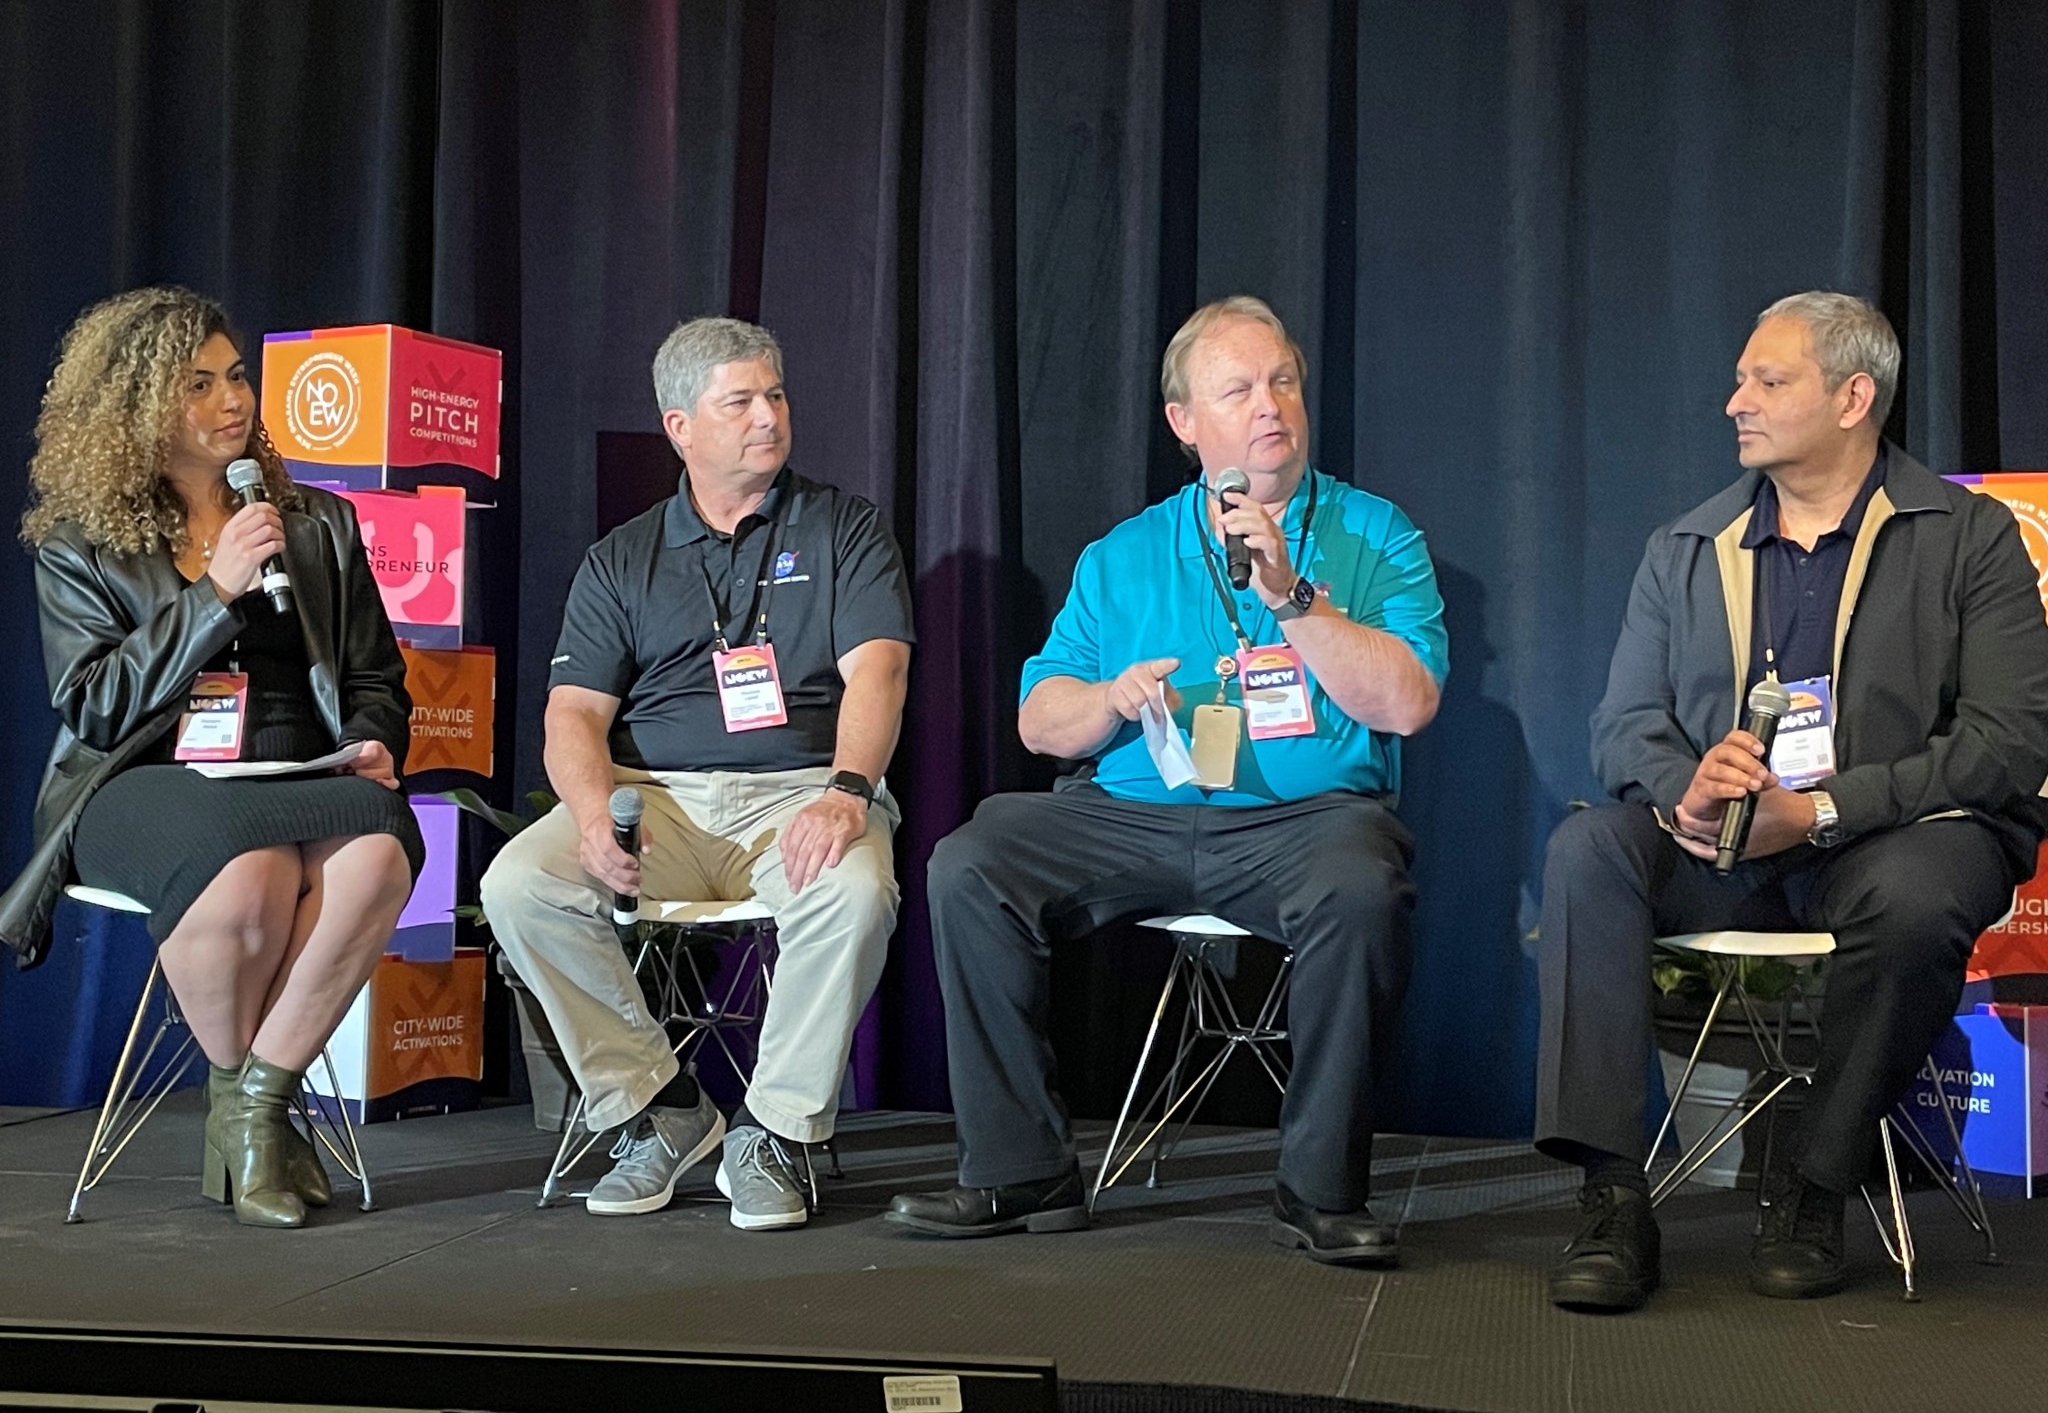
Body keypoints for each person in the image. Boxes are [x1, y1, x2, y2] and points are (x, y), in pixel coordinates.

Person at [888, 296, 1448, 1267]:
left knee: (1361, 883)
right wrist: (1107, 695)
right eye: (1237, 389)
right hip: (1130, 816)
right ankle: (1021, 1170)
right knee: (972, 858)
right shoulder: (1124, 554)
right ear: (1184, 424)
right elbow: (1038, 720)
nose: (1269, 404)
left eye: (1281, 380)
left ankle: (1316, 1192)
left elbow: (1405, 706)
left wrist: (1291, 597)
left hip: (1304, 823)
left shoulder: (1374, 533)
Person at [1535, 291, 2048, 1310]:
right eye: (1738, 379)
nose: (1734, 402)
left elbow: (2004, 746)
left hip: (1892, 841)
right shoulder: (1684, 547)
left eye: (1766, 382)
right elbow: (1618, 725)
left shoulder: (1969, 538)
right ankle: (1608, 1193)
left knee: (1914, 896)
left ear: (1853, 396)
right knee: (1585, 851)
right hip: (1722, 853)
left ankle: (1814, 1180)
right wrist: (1687, 788)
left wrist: (1817, 810)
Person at [1, 286, 424, 1229]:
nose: (232, 400)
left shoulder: (313, 520)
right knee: (246, 875)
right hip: (139, 779)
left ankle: (252, 1102)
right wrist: (213, 591)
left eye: (237, 377)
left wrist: (372, 743)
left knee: (381, 847)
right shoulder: (81, 545)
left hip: (293, 770)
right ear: (138, 408)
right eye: (198, 384)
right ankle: (259, 1117)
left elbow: (375, 677)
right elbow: (97, 708)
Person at [481, 316, 914, 1230]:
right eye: (741, 401)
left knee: (856, 890)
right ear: (680, 425)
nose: (769, 416)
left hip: (801, 793)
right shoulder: (624, 558)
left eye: (777, 395)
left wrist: (846, 793)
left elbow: (879, 671)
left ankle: (777, 1132)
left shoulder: (842, 528)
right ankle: (661, 1108)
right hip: (659, 800)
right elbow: (574, 716)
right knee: (520, 883)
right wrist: (595, 815)